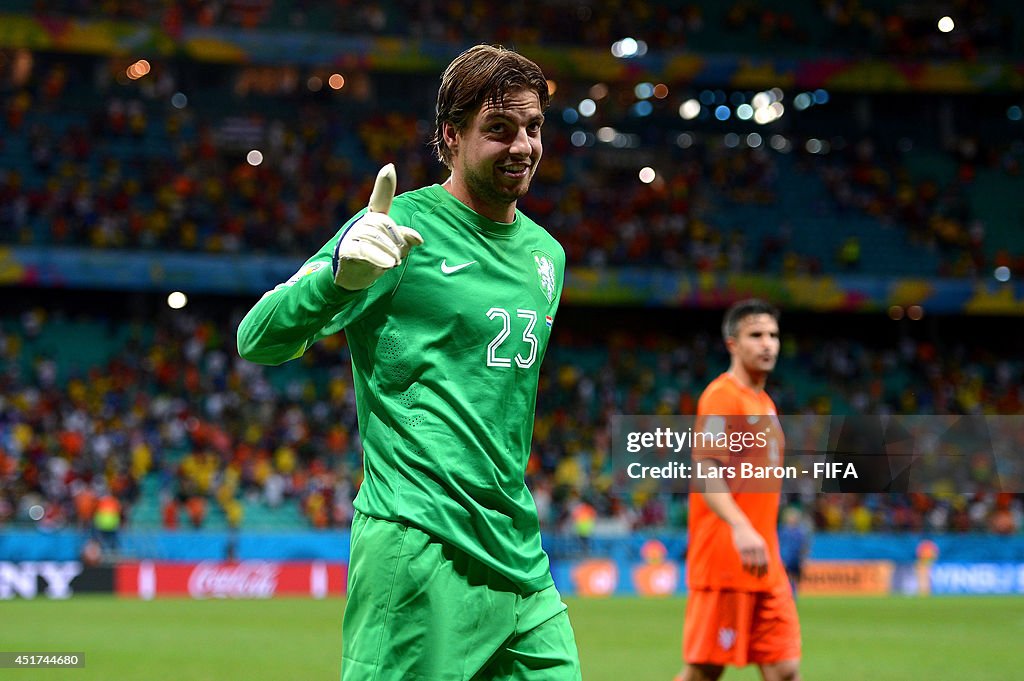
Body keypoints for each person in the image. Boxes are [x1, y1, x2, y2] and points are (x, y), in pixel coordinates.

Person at [237, 44, 581, 681]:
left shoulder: (548, 255)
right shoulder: (395, 228)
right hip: (418, 542)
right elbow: (258, 338)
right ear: (452, 135)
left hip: (517, 557)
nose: (523, 146)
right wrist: (339, 279)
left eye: (533, 128)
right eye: (499, 130)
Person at [676, 299, 801, 681]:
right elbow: (707, 470)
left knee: (784, 668)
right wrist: (741, 527)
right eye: (756, 335)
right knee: (705, 671)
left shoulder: (765, 403)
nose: (768, 344)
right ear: (733, 343)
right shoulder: (722, 396)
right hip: (726, 558)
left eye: (774, 335)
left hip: (767, 560)